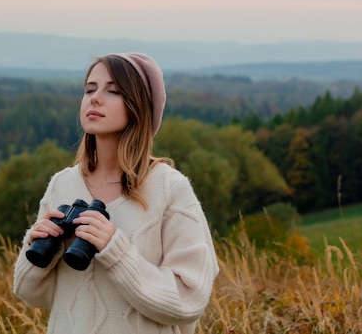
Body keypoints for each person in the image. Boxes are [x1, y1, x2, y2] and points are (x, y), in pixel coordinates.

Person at [13, 52, 219, 334]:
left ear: (138, 106)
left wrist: (115, 250)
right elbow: (34, 295)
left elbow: (189, 300)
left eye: (113, 91)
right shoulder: (62, 184)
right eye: (89, 89)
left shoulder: (170, 188)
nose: (95, 98)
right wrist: (37, 249)